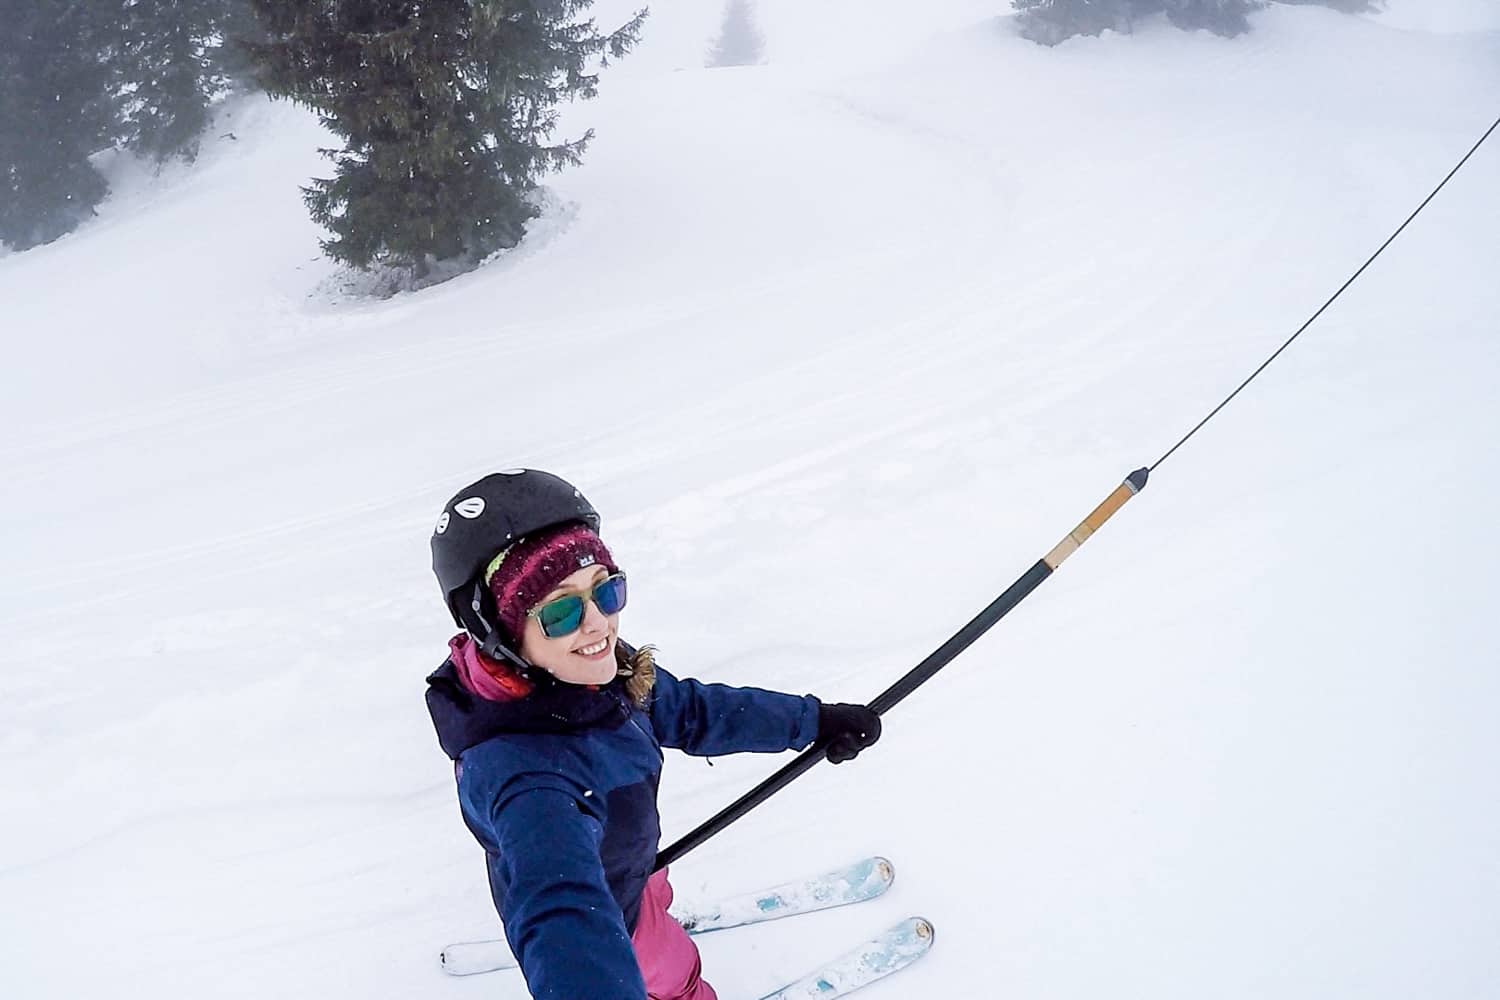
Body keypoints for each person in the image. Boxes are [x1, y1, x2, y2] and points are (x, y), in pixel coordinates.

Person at [425, 470, 882, 1000]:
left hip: (632, 870)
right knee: (670, 969)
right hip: (609, 906)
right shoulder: (526, 777)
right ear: (500, 632)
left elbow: (693, 710)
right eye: (561, 610)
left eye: (606, 589)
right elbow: (562, 910)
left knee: (649, 896)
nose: (597, 624)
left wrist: (812, 721)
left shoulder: (602, 676)